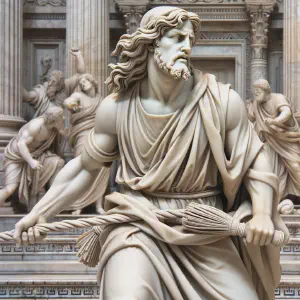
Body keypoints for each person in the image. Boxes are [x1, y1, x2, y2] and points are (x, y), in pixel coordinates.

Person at [14, 7, 288, 300]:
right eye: (177, 37)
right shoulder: (117, 107)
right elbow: (85, 167)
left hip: (204, 229)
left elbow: (255, 161)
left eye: (190, 39)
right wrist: (40, 213)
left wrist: (261, 213)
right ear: (151, 42)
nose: (187, 46)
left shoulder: (222, 101)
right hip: (137, 226)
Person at [0, 106, 65, 210]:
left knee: (58, 162)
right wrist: (31, 162)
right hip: (17, 157)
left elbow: (57, 146)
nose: (64, 118)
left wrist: (63, 133)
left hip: (36, 154)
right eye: (61, 116)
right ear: (55, 119)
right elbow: (21, 144)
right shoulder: (36, 126)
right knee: (10, 189)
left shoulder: (53, 129)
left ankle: (55, 200)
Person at [63, 73, 110, 214]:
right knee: (81, 165)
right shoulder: (79, 96)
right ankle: (78, 205)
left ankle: (98, 206)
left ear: (92, 82)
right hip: (83, 134)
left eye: (85, 80)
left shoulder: (102, 100)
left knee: (103, 167)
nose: (83, 83)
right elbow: (68, 101)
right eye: (81, 82)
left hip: (99, 135)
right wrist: (71, 105)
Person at [247, 79, 300, 201]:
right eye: (254, 91)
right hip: (269, 140)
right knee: (268, 168)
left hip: (287, 139)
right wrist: (249, 108)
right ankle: (275, 198)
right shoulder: (257, 104)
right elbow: (253, 118)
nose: (255, 93)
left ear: (266, 90)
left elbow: (286, 113)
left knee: (296, 166)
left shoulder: (278, 98)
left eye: (258, 91)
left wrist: (275, 121)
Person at [23, 47, 85, 117]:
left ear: (59, 86)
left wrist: (79, 55)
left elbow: (80, 74)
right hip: (42, 123)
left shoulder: (66, 86)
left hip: (57, 123)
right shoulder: (42, 90)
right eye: (49, 80)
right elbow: (27, 96)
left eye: (53, 82)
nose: (49, 83)